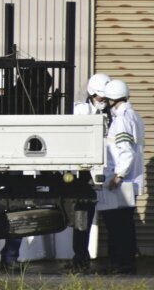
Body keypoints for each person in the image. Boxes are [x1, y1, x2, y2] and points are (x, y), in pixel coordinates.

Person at [64, 73, 112, 273]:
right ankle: (80, 257)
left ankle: (117, 259)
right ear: (92, 93)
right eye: (101, 97)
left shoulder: (114, 113)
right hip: (83, 174)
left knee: (113, 219)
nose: (104, 101)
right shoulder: (80, 110)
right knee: (82, 217)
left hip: (108, 173)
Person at [97, 79, 144, 274]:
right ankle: (126, 264)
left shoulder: (122, 119)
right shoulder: (134, 116)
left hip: (121, 182)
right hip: (130, 181)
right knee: (125, 225)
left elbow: (126, 151)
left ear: (112, 98)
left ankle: (120, 265)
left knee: (117, 227)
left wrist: (118, 175)